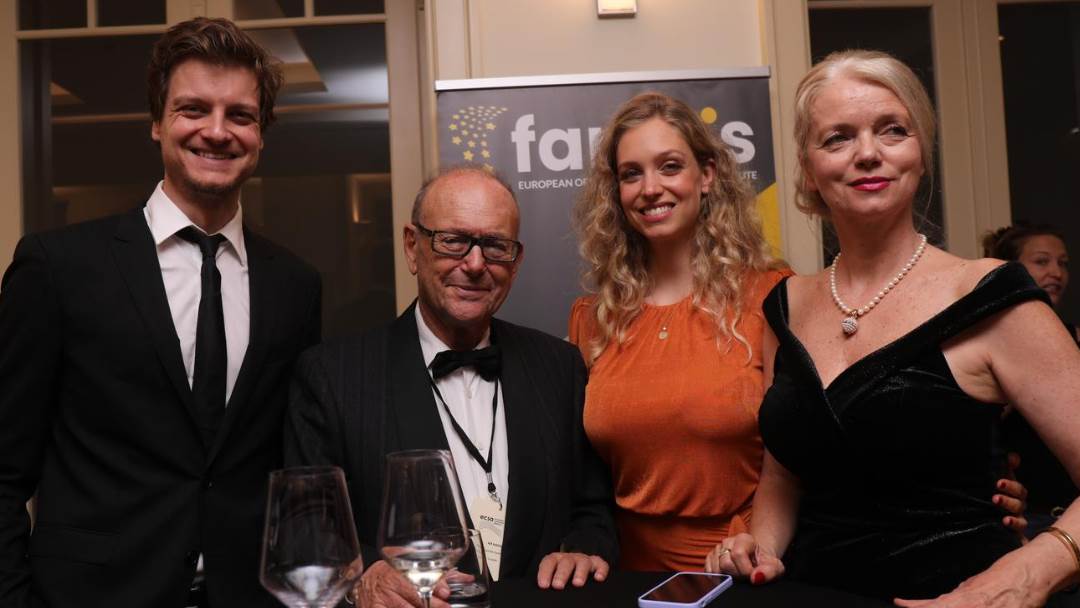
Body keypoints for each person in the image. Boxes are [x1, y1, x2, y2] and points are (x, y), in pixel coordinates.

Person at [707, 50, 1080, 605]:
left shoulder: (990, 296)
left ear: (921, 153)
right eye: (837, 138)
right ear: (808, 169)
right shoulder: (784, 305)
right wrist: (757, 549)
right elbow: (784, 479)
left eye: (892, 130)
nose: (867, 153)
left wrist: (1030, 571)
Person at [0, 17, 322, 608]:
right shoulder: (58, 267)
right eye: (193, 109)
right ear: (157, 122)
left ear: (262, 135)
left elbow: (295, 467)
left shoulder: (296, 287)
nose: (217, 132)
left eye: (240, 115)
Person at [285, 165, 617, 607]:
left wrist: (584, 548)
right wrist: (364, 576)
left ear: (516, 262)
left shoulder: (560, 366)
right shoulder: (332, 375)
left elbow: (593, 507)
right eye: (453, 241)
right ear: (413, 247)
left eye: (495, 246)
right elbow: (307, 528)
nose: (475, 264)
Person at [567, 91, 791, 571]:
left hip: (736, 569)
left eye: (669, 167)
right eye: (631, 174)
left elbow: (790, 458)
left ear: (706, 175)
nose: (650, 188)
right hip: (622, 577)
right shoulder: (592, 319)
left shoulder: (770, 296)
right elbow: (583, 479)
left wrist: (758, 548)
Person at [984, 223, 1080, 536]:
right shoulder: (988, 341)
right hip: (1025, 518)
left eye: (1063, 263)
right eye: (1042, 261)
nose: (1056, 272)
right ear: (1009, 269)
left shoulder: (1075, 337)